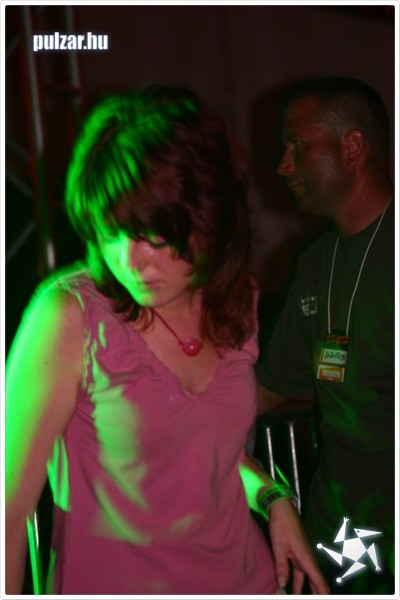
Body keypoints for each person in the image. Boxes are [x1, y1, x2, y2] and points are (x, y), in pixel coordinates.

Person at [5, 85, 329, 595]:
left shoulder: (235, 300)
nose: (129, 261)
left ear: (209, 216)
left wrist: (274, 498)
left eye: (151, 235)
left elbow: (208, 453)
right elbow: (9, 508)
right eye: (110, 233)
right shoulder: (71, 315)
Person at [255, 76, 395, 594]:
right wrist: (178, 405)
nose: (283, 165)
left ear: (351, 147)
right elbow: (274, 383)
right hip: (340, 530)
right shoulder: (316, 262)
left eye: (297, 145)